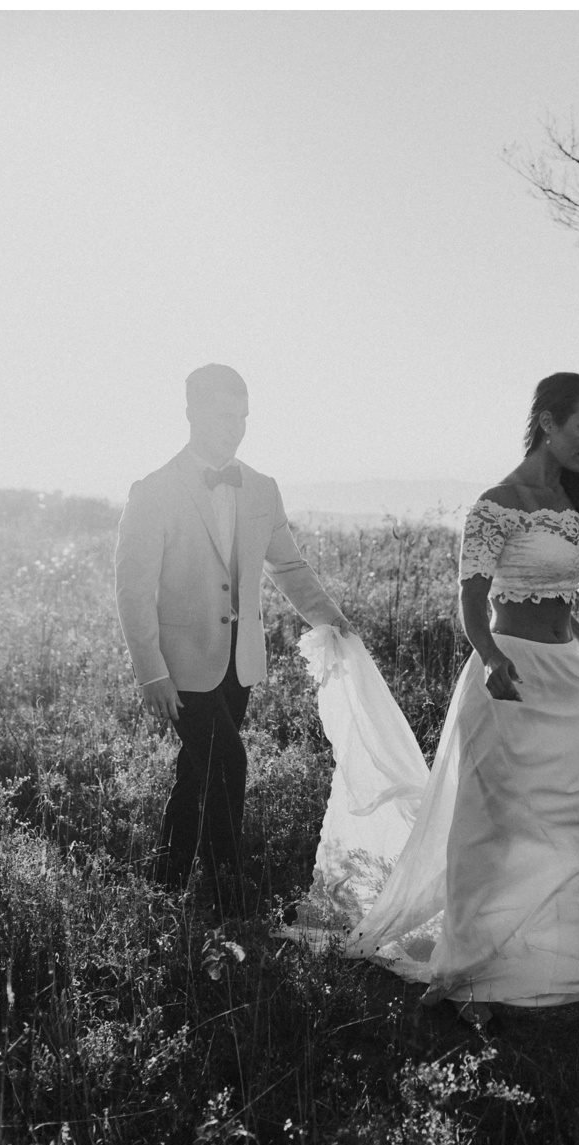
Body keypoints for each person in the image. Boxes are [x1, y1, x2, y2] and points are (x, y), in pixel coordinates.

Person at [340, 372, 579, 1042]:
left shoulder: (571, 498)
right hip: (510, 677)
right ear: (546, 422)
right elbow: (476, 607)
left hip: (569, 681)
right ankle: (466, 975)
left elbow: (557, 595)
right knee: (493, 833)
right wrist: (494, 662)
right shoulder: (495, 506)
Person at [115, 362, 352, 913]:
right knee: (229, 764)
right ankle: (227, 895)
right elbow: (133, 591)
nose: (237, 427)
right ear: (193, 411)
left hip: (238, 664)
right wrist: (151, 671)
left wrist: (334, 622)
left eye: (243, 417)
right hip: (179, 666)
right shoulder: (153, 490)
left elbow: (290, 568)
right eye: (225, 415)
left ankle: (167, 882)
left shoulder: (263, 488)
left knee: (197, 772)